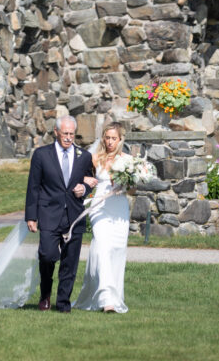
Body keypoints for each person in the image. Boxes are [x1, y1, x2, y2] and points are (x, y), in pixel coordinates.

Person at [24, 114, 94, 313]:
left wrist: (85, 190)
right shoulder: (41, 155)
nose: (68, 138)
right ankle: (45, 294)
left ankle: (63, 302)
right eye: (65, 133)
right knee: (46, 255)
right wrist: (31, 216)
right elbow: (33, 187)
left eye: (72, 134)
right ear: (56, 132)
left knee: (70, 263)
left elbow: (90, 181)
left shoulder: (84, 156)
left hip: (74, 215)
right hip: (48, 214)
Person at [73, 121, 131, 313]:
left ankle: (113, 296)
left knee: (116, 251)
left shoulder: (128, 161)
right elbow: (74, 174)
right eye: (107, 138)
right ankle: (107, 300)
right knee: (103, 248)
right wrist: (84, 179)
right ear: (103, 138)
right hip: (99, 208)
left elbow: (134, 188)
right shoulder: (94, 158)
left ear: (120, 139)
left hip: (119, 209)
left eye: (114, 138)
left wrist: (125, 184)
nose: (110, 142)